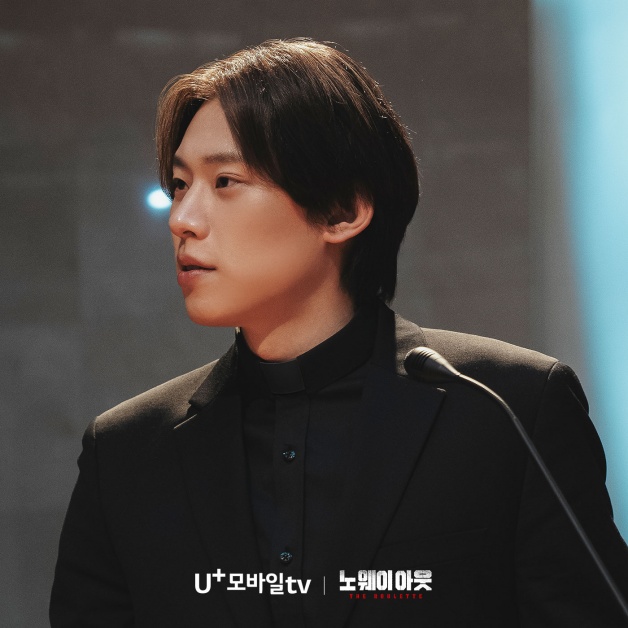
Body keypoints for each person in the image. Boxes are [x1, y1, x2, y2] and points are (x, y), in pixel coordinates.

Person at [50, 38, 628, 627]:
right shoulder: (124, 452)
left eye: (225, 181)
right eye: (179, 185)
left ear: (343, 211)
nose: (182, 219)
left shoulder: (508, 410)